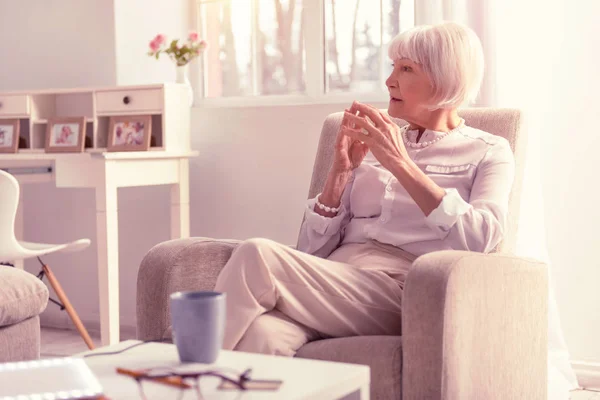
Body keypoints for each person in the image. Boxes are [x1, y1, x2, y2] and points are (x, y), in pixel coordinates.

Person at [214, 21, 515, 356]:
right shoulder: (375, 142)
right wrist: (339, 176)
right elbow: (310, 254)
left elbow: (482, 239)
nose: (389, 80)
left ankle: (181, 377)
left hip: (402, 291)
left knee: (257, 255)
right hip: (333, 281)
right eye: (393, 67)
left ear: (445, 78)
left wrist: (400, 164)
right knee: (262, 334)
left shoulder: (489, 150)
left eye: (406, 69)